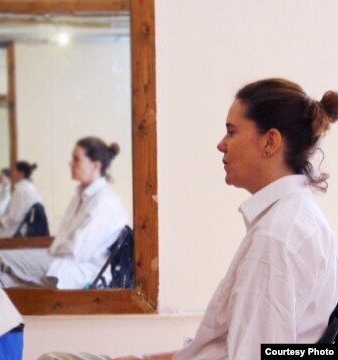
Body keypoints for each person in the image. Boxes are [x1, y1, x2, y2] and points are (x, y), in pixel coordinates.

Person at [42, 79, 338, 360]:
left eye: (231, 131)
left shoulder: (277, 237)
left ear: (270, 142)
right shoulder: (295, 220)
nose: (221, 144)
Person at [0, 137, 128, 289]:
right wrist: (48, 252)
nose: (70, 164)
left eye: (77, 159)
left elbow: (77, 250)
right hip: (61, 260)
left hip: (77, 270)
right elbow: (63, 239)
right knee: (0, 281)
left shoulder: (105, 202)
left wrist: (46, 253)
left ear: (95, 165)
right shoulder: (79, 197)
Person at [0, 161, 43, 238]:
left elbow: (14, 218)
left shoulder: (21, 191)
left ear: (21, 173)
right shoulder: (30, 188)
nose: (10, 175)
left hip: (18, 231)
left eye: (13, 171)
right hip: (24, 227)